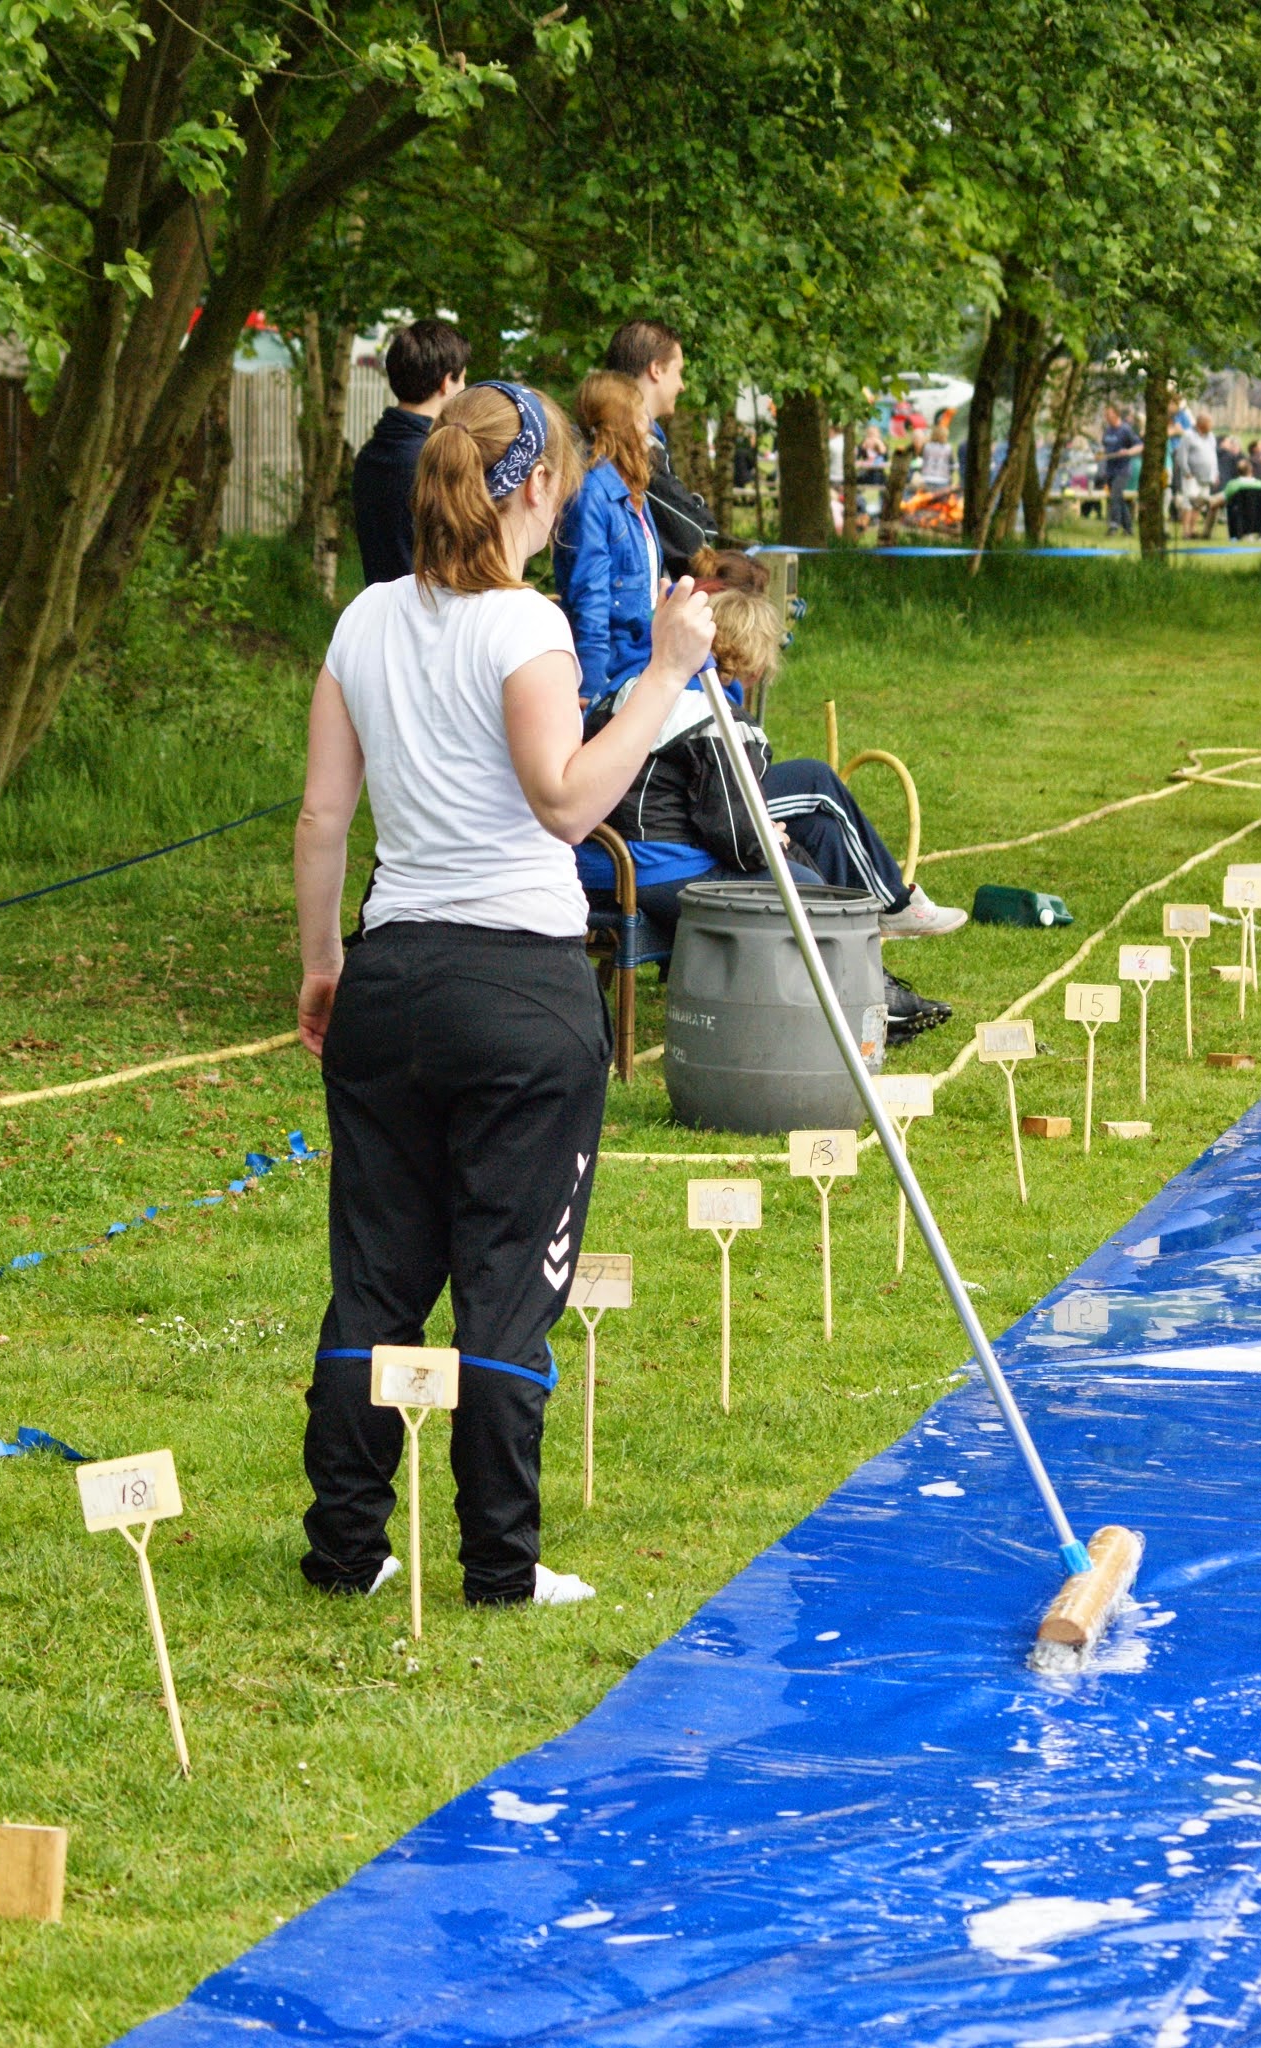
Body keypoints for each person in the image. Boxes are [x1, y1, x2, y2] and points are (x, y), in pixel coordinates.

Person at [296, 379, 716, 1606]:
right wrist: (667, 673)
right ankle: (497, 1565)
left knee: (377, 1274)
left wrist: (325, 959)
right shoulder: (526, 630)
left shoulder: (362, 620)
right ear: (535, 487)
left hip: (390, 975)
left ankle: (346, 1548)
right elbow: (568, 801)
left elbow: (326, 814)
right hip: (517, 994)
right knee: (504, 1280)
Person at [576, 586, 965, 1038]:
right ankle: (860, 1006)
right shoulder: (718, 718)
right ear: (756, 658)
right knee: (811, 891)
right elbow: (733, 836)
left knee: (810, 839)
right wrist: (771, 840)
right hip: (649, 869)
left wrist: (774, 839)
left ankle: (868, 990)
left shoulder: (632, 688)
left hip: (597, 860)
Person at [554, 370, 662, 712]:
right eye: (641, 415)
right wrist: (592, 686)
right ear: (623, 424)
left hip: (643, 654)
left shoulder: (630, 491)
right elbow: (591, 595)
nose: (649, 425)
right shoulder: (592, 494)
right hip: (615, 666)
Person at [350, 319, 470, 584]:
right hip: (430, 618)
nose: (463, 388)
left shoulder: (369, 455)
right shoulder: (435, 461)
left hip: (381, 616)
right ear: (445, 382)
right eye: (461, 378)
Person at [604, 318, 720, 576]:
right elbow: (697, 536)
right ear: (656, 369)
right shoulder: (626, 447)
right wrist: (696, 508)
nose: (682, 385)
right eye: (678, 371)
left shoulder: (639, 442)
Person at [1177, 409, 1220, 539]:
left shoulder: (1211, 437)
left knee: (1199, 504)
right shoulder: (1188, 435)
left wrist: (1215, 473)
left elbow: (1213, 456)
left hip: (1206, 477)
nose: (1211, 426)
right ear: (1201, 424)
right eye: (1209, 423)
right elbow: (1181, 456)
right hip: (1192, 476)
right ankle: (1186, 531)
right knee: (1188, 503)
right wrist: (1186, 471)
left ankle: (1193, 529)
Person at [1100, 403, 1141, 535]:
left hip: (1122, 470)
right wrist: (1100, 454)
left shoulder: (1125, 430)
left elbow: (1139, 445)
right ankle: (1128, 528)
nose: (1106, 417)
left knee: (1115, 496)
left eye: (1108, 414)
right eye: (1105, 415)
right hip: (1110, 469)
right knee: (1119, 499)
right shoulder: (1108, 430)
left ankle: (1114, 525)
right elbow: (1105, 448)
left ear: (1116, 414)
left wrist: (1128, 452)